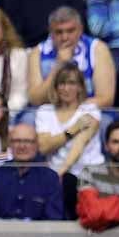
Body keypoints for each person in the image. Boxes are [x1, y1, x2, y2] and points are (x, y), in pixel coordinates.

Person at [36, 60, 105, 198]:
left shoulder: (90, 110)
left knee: (68, 183)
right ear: (55, 87)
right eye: (62, 83)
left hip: (87, 173)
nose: (66, 89)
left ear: (80, 87)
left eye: (72, 83)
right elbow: (44, 147)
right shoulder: (45, 111)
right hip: (55, 172)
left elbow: (79, 145)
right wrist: (73, 129)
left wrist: (61, 172)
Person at [26, 6, 116, 110]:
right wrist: (59, 66)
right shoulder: (37, 52)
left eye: (70, 31)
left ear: (80, 29)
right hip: (49, 112)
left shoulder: (97, 48)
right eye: (59, 32)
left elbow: (106, 99)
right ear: (50, 31)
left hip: (88, 112)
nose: (65, 37)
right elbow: (35, 100)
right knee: (27, 121)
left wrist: (71, 112)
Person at [0, 123, 65, 219]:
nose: (22, 146)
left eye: (28, 141)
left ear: (37, 145)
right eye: (17, 141)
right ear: (9, 144)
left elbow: (54, 221)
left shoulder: (50, 179)